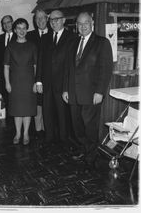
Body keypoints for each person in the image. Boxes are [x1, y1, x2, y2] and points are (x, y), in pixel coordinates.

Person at [62, 11, 113, 165]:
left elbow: (106, 69)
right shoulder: (72, 43)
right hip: (73, 93)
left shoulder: (102, 43)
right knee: (77, 127)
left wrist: (100, 91)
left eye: (86, 23)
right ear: (76, 26)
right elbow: (68, 69)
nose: (83, 26)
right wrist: (65, 89)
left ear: (92, 24)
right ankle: (83, 149)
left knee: (90, 127)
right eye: (80, 23)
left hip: (91, 94)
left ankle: (91, 157)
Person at [36, 10, 75, 143]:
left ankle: (64, 139)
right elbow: (40, 59)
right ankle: (49, 137)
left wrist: (68, 86)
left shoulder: (72, 37)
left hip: (63, 83)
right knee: (47, 112)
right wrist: (39, 81)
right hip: (47, 83)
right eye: (51, 20)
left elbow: (72, 64)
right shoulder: (45, 37)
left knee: (62, 113)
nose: (53, 22)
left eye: (56, 19)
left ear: (64, 20)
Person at [4, 18, 37, 145]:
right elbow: (6, 66)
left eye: (24, 28)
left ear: (27, 29)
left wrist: (36, 82)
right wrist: (7, 83)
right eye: (19, 28)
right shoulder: (10, 46)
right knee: (17, 110)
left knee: (27, 109)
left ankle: (26, 133)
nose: (21, 31)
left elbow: (35, 66)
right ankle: (18, 133)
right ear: (14, 30)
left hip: (29, 82)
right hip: (15, 82)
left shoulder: (32, 46)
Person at [27, 9, 51, 138]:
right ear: (35, 21)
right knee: (37, 104)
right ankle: (38, 131)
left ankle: (49, 129)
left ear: (47, 19)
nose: (40, 21)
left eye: (43, 18)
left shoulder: (54, 33)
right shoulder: (29, 36)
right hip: (34, 76)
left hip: (51, 77)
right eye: (37, 18)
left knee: (49, 104)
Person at [0, 15, 16, 126]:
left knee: (16, 100)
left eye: (8, 22)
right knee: (7, 100)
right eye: (4, 23)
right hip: (3, 76)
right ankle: (10, 123)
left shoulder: (19, 36)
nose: (6, 25)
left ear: (12, 22)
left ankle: (17, 123)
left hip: (17, 76)